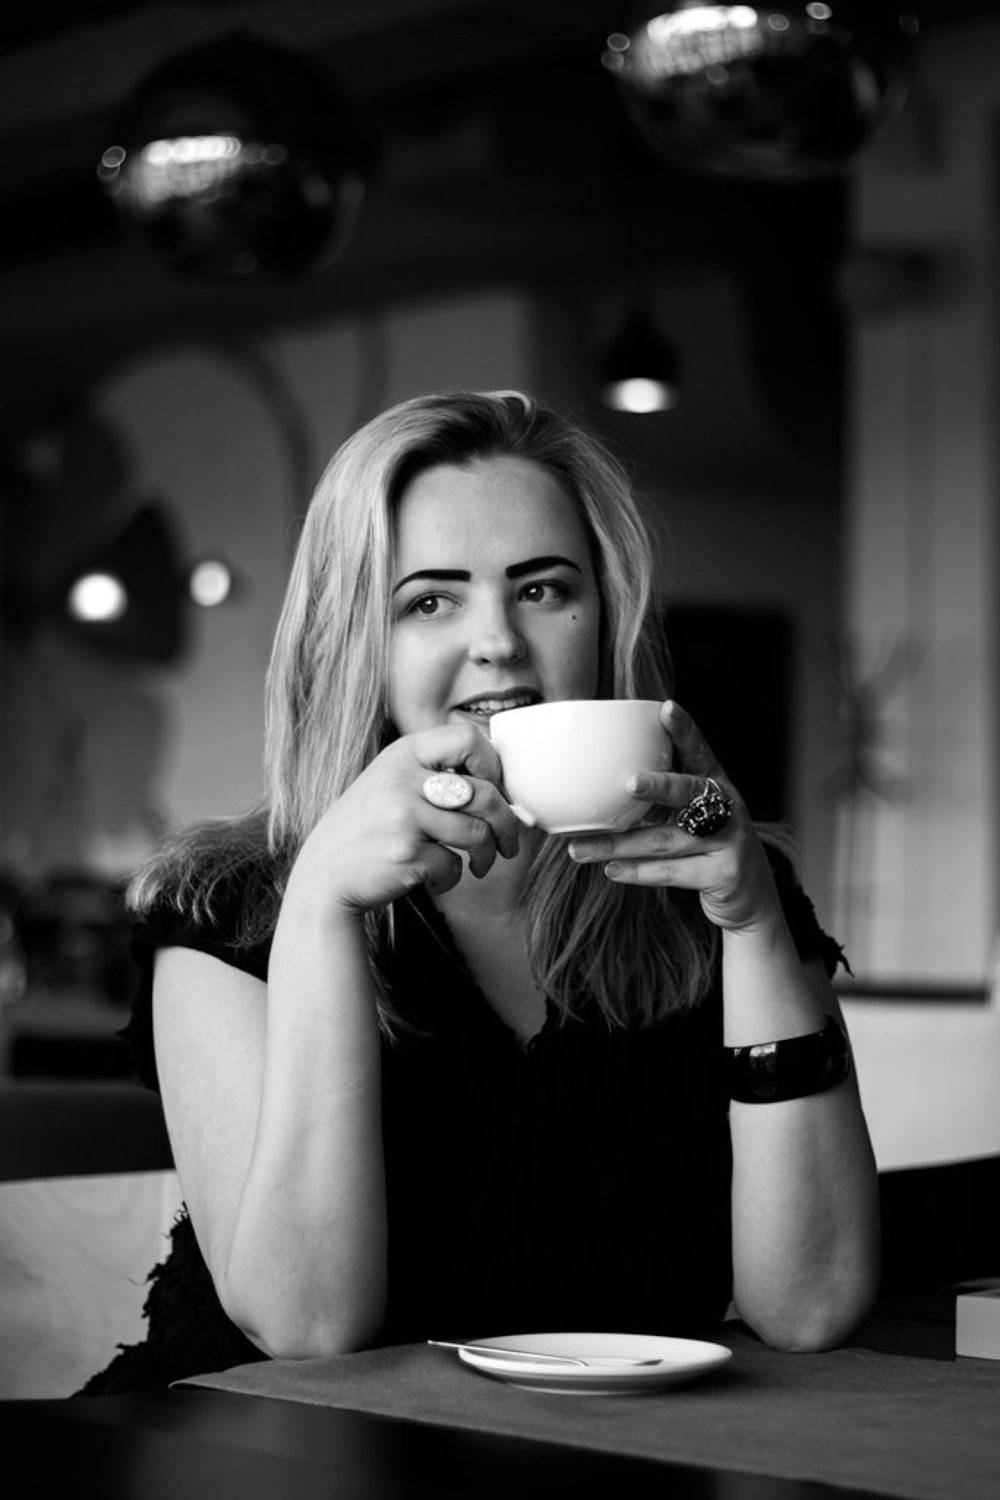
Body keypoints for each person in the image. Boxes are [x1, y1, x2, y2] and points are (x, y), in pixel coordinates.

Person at [80, 389, 881, 1394]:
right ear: (354, 642)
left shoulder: (719, 894)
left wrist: (754, 922)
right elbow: (308, 1323)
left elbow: (811, 1306)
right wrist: (321, 906)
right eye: (430, 601)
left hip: (616, 1453)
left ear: (604, 619)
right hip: (273, 1451)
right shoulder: (226, 909)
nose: (498, 639)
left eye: (542, 589)